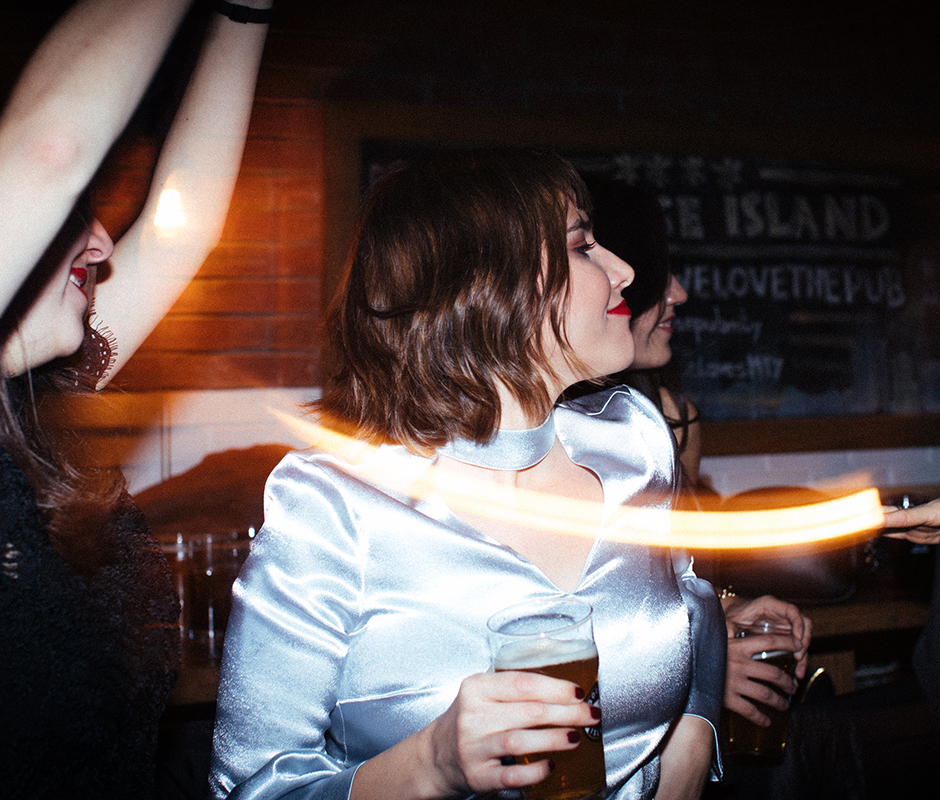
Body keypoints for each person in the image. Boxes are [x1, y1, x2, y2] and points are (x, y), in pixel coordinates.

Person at [209, 148, 726, 800]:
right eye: (583, 244)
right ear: (485, 284)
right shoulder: (336, 506)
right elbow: (250, 788)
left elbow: (693, 602)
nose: (623, 271)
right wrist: (431, 764)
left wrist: (692, 740)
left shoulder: (634, 442)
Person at [0, 1, 270, 796]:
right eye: (67, 217)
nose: (103, 244)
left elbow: (183, 230)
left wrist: (244, 8)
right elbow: (50, 146)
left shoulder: (26, 407)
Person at [576, 178, 811, 731]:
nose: (677, 293)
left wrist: (727, 613)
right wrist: (700, 670)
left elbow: (670, 582)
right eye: (659, 277)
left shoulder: (670, 419)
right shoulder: (541, 433)